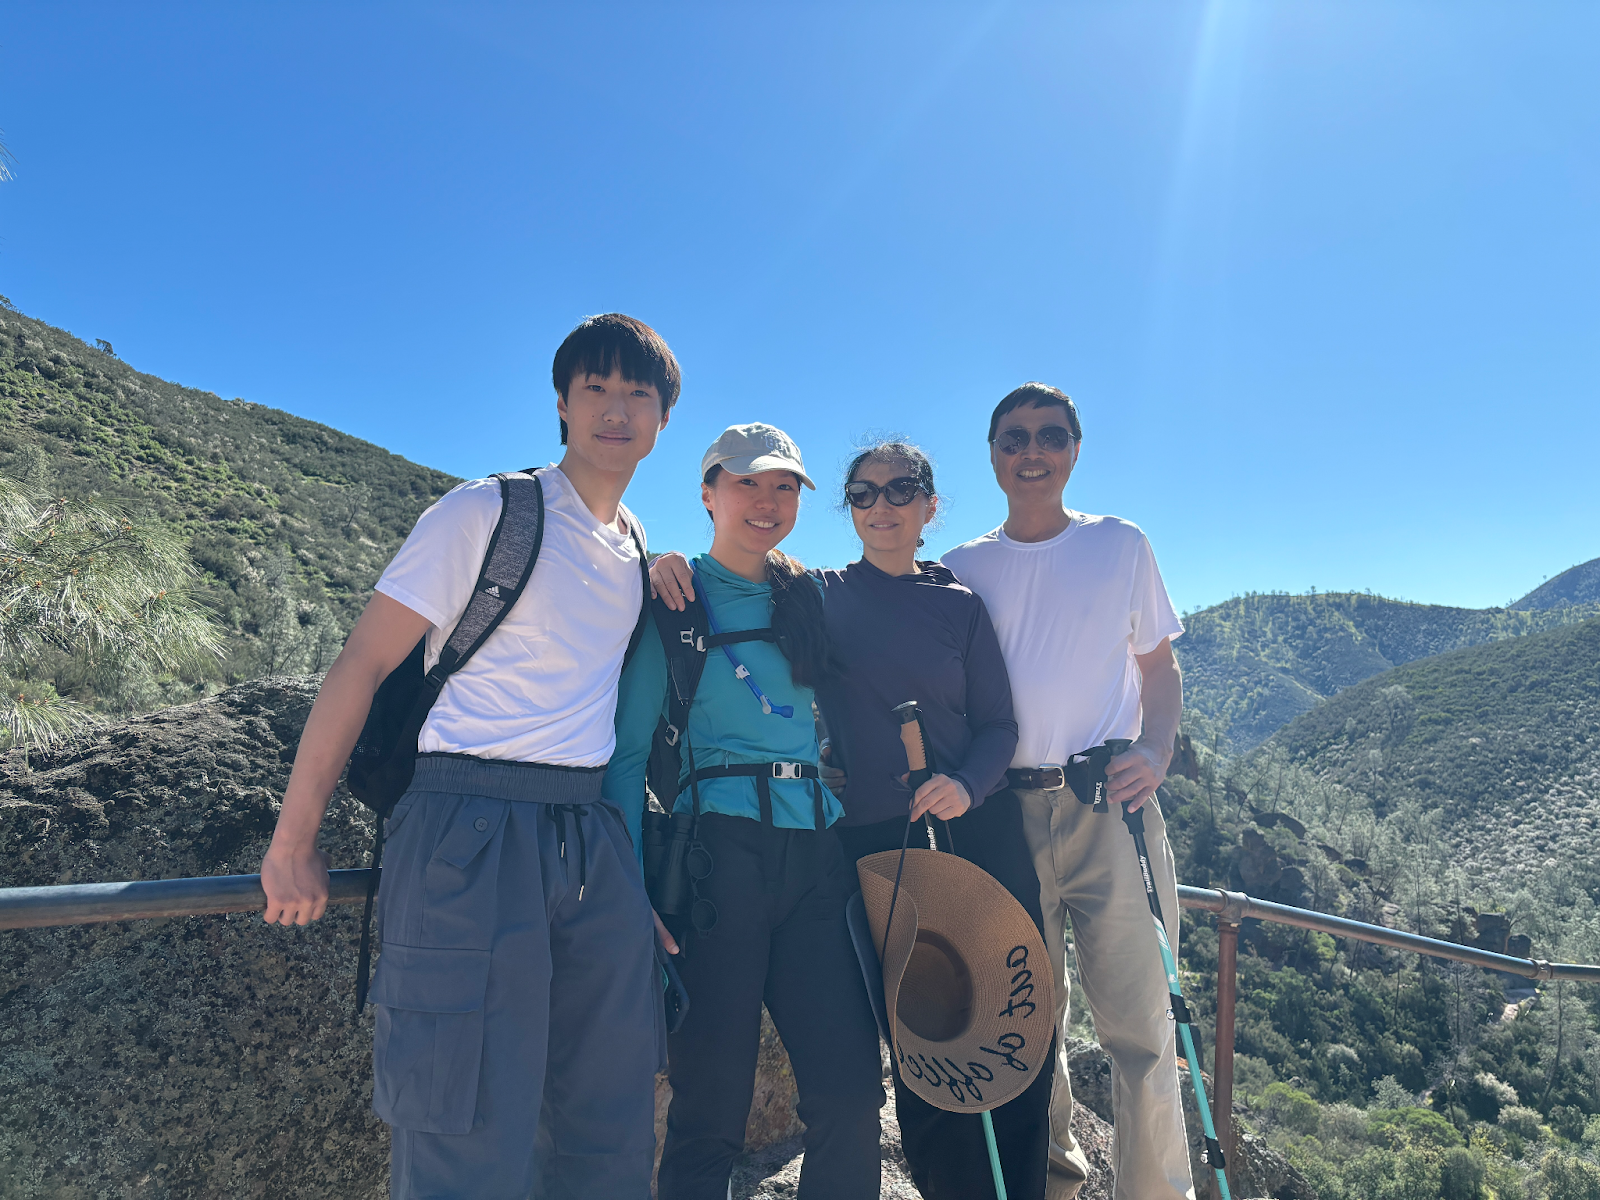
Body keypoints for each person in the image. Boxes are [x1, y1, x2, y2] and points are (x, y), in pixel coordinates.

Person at [259, 313, 680, 1200]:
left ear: (662, 418)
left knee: (606, 1114)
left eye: (637, 394)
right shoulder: (486, 512)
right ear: (562, 404)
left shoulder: (634, 544)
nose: (616, 409)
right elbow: (363, 665)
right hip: (466, 825)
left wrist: (624, 877)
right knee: (466, 1127)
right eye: (595, 389)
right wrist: (293, 842)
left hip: (588, 835)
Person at [652, 439, 1052, 1198]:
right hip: (857, 849)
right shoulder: (814, 593)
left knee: (992, 1032)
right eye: (863, 494)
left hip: (953, 834)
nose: (881, 505)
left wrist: (966, 785)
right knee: (912, 1048)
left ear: (931, 506)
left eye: (901, 491)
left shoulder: (952, 603)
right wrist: (657, 563)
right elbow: (731, 576)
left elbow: (999, 724)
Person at [604, 423, 885, 1200]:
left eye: (785, 486)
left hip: (814, 860)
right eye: (747, 483)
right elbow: (627, 756)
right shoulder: (674, 597)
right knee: (710, 1110)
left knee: (852, 1092)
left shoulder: (806, 595)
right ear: (708, 493)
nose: (767, 501)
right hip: (716, 861)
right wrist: (631, 888)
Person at [941, 382, 1191, 1200]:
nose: (1032, 451)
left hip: (1107, 807)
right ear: (993, 454)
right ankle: (1048, 1185)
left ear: (1075, 450)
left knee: (1140, 1026)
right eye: (1014, 438)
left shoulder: (1121, 544)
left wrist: (1157, 749)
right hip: (1002, 816)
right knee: (1025, 1026)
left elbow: (1160, 669)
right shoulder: (959, 569)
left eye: (1050, 435)